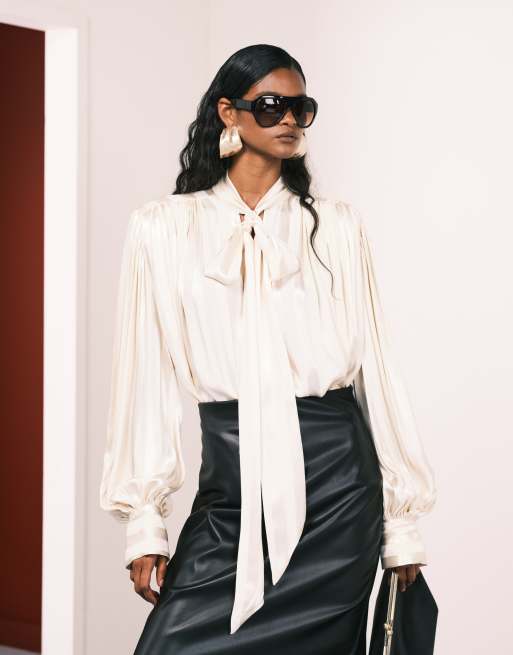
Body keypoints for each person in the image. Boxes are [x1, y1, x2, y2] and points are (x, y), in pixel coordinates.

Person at [99, 44, 437, 654]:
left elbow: (376, 372)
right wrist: (144, 523)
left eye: (301, 108)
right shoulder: (164, 229)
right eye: (271, 105)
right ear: (228, 112)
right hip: (232, 485)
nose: (289, 120)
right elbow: (144, 377)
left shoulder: (337, 226)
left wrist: (403, 525)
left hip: (339, 493)